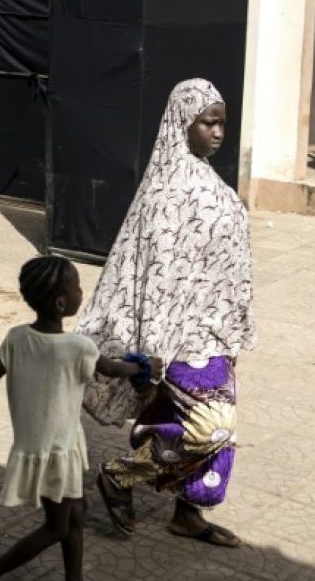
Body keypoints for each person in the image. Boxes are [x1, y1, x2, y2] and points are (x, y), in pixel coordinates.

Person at [77, 79, 256, 548]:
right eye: (208, 122)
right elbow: (155, 277)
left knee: (217, 429)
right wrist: (153, 351)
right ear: (183, 123)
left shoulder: (205, 177)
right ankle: (121, 476)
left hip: (213, 332)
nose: (218, 132)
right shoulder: (166, 192)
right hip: (179, 339)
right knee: (211, 426)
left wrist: (232, 332)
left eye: (222, 123)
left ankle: (188, 513)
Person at [0, 255, 161, 581]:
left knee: (76, 514)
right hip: (57, 453)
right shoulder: (78, 347)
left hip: (41, 449)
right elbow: (113, 369)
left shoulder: (16, 338)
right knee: (56, 528)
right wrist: (145, 367)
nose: (81, 293)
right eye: (77, 288)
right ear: (61, 302)